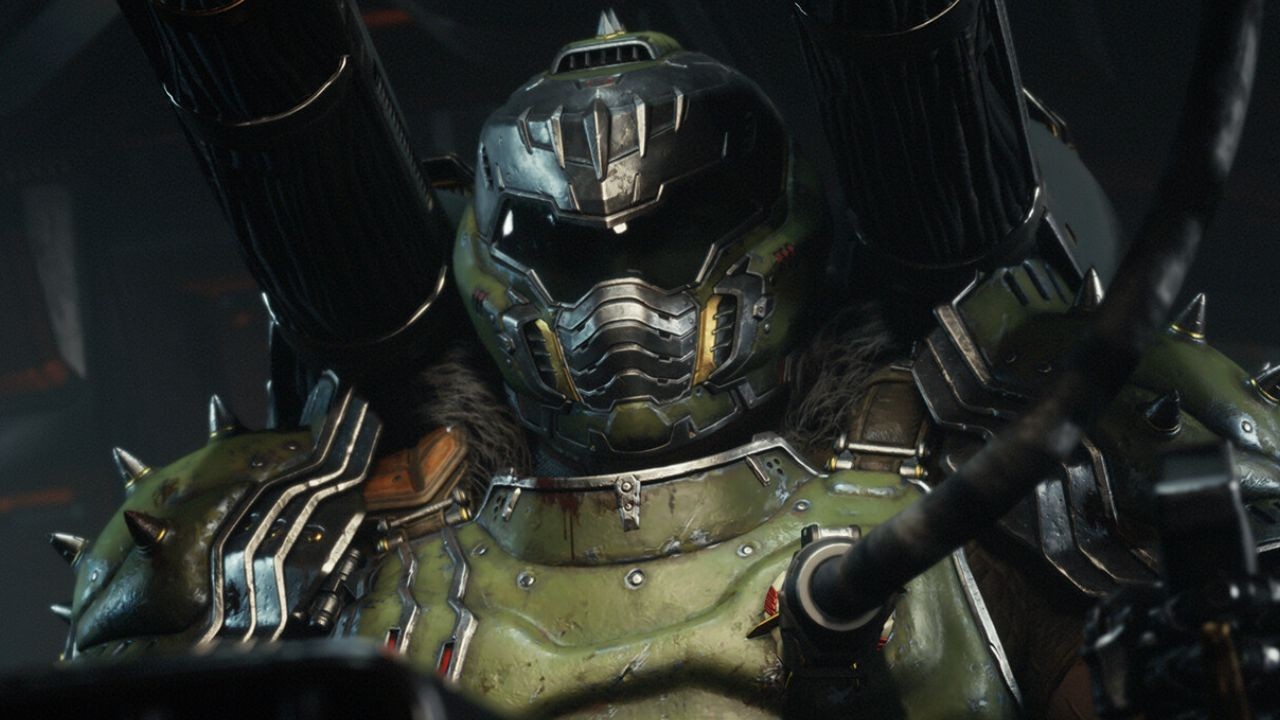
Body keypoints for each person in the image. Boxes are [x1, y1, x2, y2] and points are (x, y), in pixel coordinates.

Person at [49, 2, 1279, 718]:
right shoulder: (299, 545)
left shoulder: (990, 472)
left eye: (676, 233)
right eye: (570, 252)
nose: (623, 306)